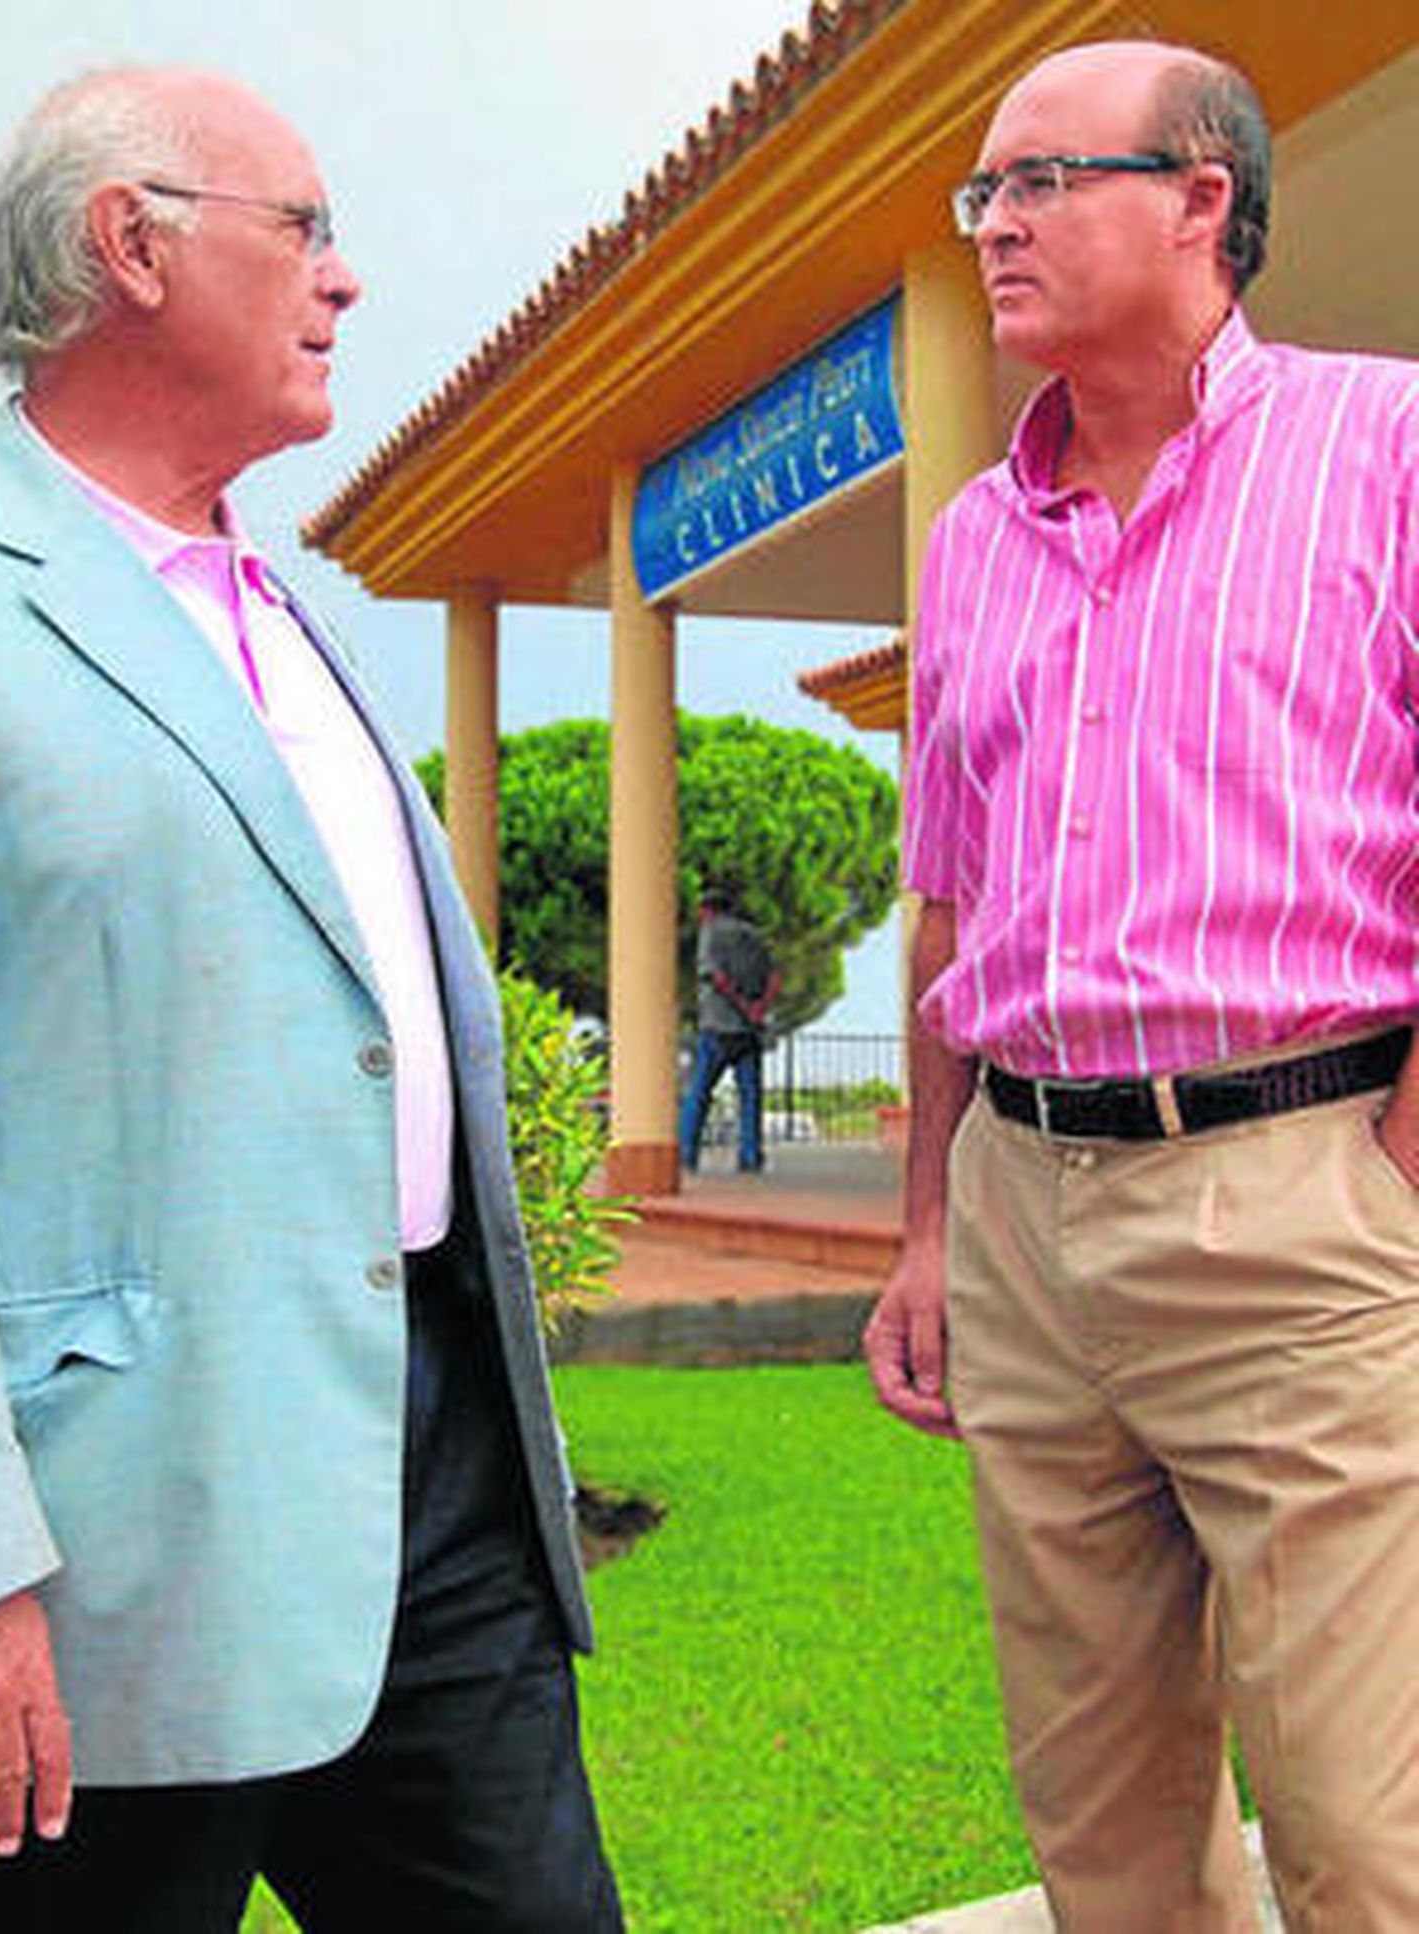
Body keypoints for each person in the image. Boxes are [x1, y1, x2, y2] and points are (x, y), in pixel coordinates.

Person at [0, 66, 623, 1933]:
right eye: (307, 228)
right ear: (132, 243)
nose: (346, 279)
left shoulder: (290, 611)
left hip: (435, 1481)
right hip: (98, 1542)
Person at [865, 37, 1419, 1934]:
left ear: (1202, 201)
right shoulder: (973, 539)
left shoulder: (1386, 448)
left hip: (1300, 1196)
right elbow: (949, 914)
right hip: (1025, 1215)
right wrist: (931, 1227)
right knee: (1103, 1832)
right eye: (983, 192)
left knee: (1363, 1829)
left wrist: (1392, 1172)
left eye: (1042, 180)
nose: (994, 226)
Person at [678, 893, 780, 1173]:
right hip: (750, 1031)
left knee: (699, 1093)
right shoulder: (755, 935)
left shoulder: (710, 933)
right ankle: (750, 1157)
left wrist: (743, 1005)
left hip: (718, 1026)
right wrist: (759, 1008)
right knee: (750, 1098)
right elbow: (774, 978)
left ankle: (686, 1155)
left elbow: (717, 978)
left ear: (707, 911)